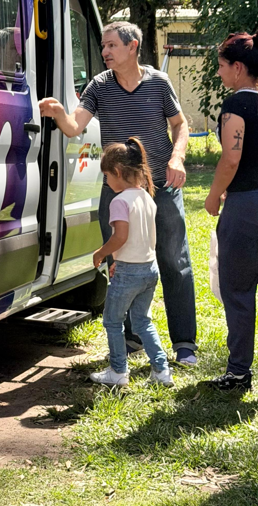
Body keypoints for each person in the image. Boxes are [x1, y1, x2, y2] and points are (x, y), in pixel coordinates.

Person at [39, 21, 198, 365]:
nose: (105, 52)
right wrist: (57, 113)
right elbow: (73, 127)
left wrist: (177, 156)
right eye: (103, 45)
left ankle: (184, 344)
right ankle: (130, 340)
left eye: (111, 45)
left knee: (174, 260)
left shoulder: (158, 82)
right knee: (120, 262)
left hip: (162, 185)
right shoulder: (99, 85)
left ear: (133, 47)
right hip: (119, 191)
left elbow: (180, 125)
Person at [203, 29, 258, 392]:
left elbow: (230, 158)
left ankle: (239, 371)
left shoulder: (235, 105)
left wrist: (213, 197)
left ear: (238, 68)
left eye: (222, 67)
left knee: (238, 292)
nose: (220, 73)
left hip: (242, 209)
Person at [89, 138, 173, 387]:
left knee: (113, 321)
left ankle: (118, 371)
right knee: (143, 321)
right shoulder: (147, 198)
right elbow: (138, 238)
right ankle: (161, 370)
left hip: (129, 273)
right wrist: (120, 260)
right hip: (149, 268)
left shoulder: (119, 201)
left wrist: (102, 253)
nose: (106, 182)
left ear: (116, 172)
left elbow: (121, 236)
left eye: (106, 176)